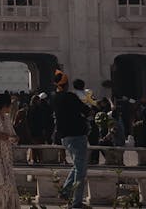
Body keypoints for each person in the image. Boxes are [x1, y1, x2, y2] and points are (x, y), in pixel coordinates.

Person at [53, 70, 90, 209]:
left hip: (65, 137)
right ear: (67, 84)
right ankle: (77, 203)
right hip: (77, 135)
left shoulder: (55, 98)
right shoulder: (70, 97)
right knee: (81, 171)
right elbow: (85, 110)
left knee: (77, 166)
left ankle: (65, 192)